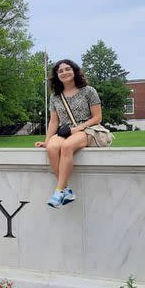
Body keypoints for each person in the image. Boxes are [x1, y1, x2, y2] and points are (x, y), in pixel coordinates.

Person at [35, 59, 103, 208]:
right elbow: (53, 121)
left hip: (87, 129)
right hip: (66, 130)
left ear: (74, 71)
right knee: (52, 148)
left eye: (67, 69)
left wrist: (77, 129)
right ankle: (66, 190)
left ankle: (59, 190)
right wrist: (47, 140)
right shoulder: (55, 97)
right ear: (56, 75)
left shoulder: (89, 91)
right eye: (60, 71)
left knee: (66, 147)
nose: (64, 72)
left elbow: (97, 118)